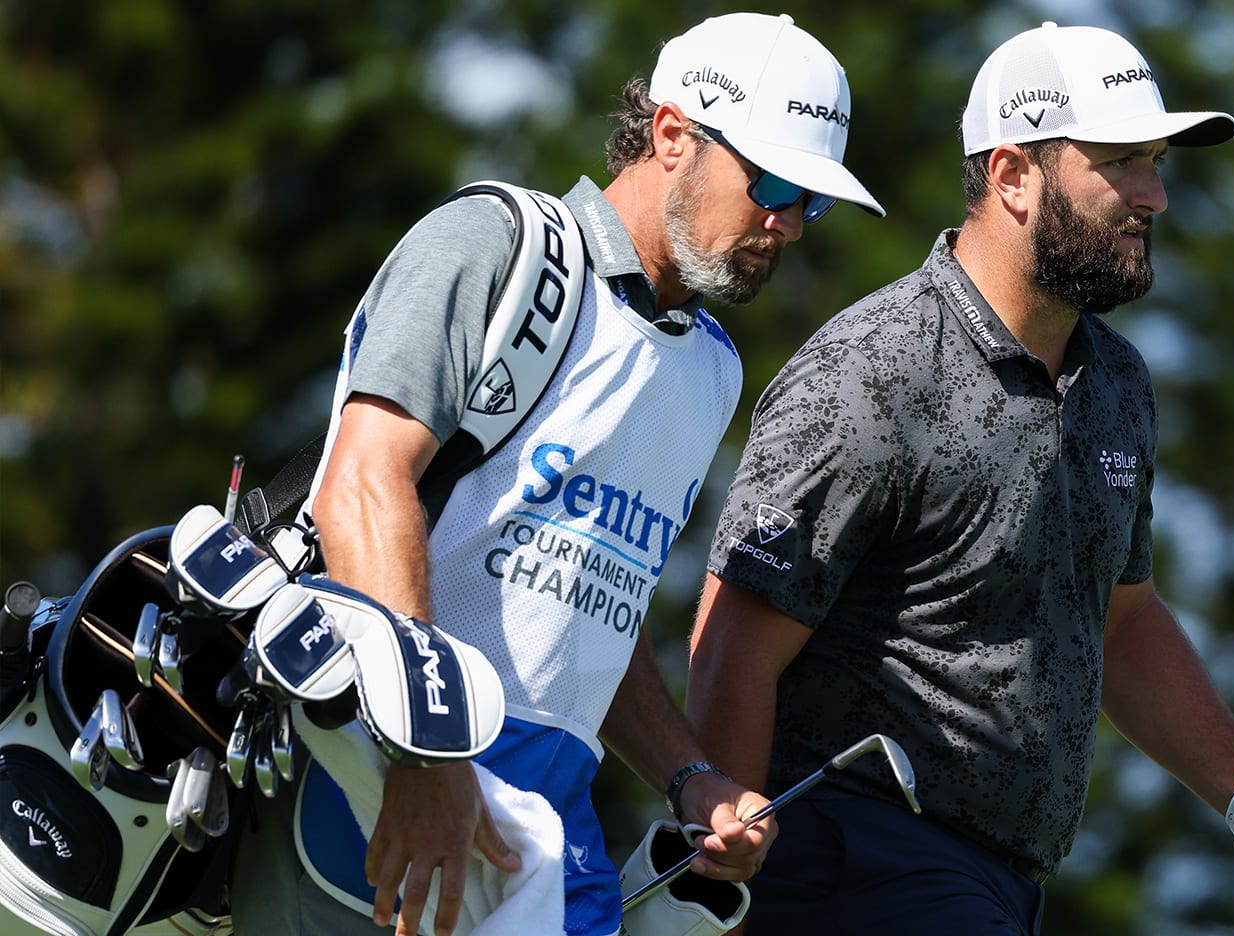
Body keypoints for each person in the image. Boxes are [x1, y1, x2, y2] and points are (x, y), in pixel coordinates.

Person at [229, 12, 884, 936]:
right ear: (671, 133)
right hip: (374, 793)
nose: (785, 223)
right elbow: (361, 487)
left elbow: (583, 617)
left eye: (810, 202)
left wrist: (689, 778)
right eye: (771, 181)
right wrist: (426, 756)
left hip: (550, 838)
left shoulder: (714, 370)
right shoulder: (496, 243)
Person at [685, 21, 1234, 935]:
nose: (1152, 195)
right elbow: (735, 641)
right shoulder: (877, 368)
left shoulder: (1116, 383)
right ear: (1012, 175)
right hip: (850, 861)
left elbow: (1121, 613)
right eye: (1119, 163)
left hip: (998, 886)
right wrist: (718, 891)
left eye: (1154, 162)